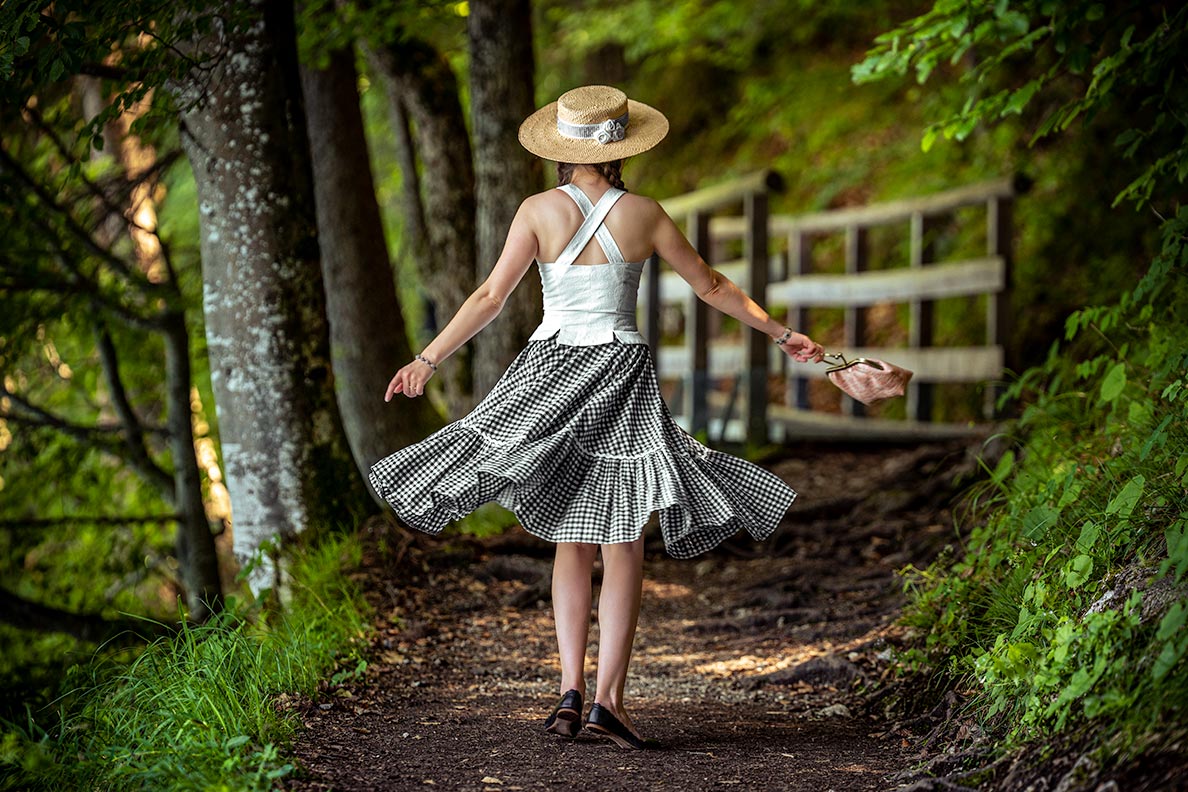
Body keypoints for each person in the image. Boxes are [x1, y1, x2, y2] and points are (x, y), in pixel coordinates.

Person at [369, 85, 824, 751]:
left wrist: (428, 359)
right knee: (624, 537)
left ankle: (568, 691)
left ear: (561, 149)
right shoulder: (644, 213)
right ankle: (609, 699)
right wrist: (784, 334)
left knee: (571, 537)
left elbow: (492, 296)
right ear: (624, 148)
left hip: (549, 372)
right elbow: (712, 286)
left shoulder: (537, 210)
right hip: (622, 374)